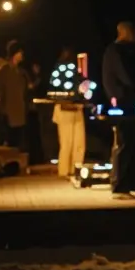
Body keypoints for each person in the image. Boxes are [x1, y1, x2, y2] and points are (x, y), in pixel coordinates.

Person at [102, 21, 135, 198]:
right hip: (123, 102)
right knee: (126, 142)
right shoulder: (116, 51)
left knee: (133, 142)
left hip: (128, 101)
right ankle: (120, 185)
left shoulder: (121, 51)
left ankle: (130, 183)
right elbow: (125, 75)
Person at [52, 47, 87, 178]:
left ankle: (75, 169)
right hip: (65, 111)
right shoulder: (60, 72)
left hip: (76, 109)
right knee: (67, 142)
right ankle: (64, 171)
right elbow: (57, 94)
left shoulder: (78, 73)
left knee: (79, 142)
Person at [0, 41, 29, 148]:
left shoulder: (21, 72)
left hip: (19, 114)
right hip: (9, 114)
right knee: (10, 143)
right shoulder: (3, 70)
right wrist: (2, 110)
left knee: (18, 142)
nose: (22, 55)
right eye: (20, 53)